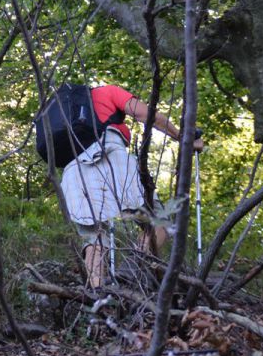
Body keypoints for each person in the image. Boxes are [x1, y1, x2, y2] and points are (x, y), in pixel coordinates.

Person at [59, 84, 204, 288]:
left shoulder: (63, 112)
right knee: (160, 222)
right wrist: (182, 137)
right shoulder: (107, 92)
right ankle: (130, 274)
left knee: (94, 236)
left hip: (74, 170)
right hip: (111, 157)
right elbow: (147, 115)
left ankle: (97, 294)